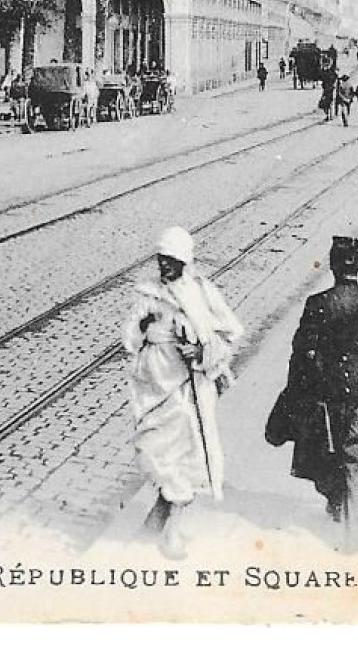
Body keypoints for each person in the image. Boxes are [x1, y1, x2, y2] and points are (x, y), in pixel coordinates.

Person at [121, 226, 244, 560]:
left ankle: (169, 530)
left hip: (187, 390)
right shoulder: (147, 293)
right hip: (152, 388)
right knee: (153, 451)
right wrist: (141, 330)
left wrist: (203, 353)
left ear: (184, 262)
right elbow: (129, 341)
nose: (164, 267)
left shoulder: (201, 293)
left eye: (171, 261)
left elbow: (232, 331)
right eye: (161, 259)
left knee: (185, 457)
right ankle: (160, 522)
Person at [277, 236, 358, 552]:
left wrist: (296, 391)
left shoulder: (318, 304)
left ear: (333, 266)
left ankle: (341, 508)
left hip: (330, 387)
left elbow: (301, 352)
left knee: (331, 447)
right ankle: (357, 523)